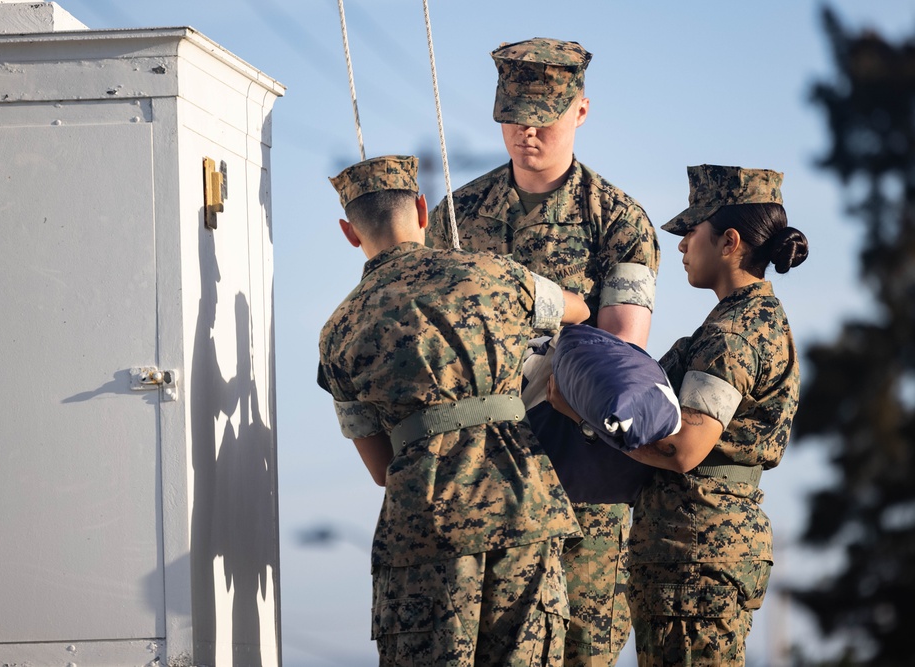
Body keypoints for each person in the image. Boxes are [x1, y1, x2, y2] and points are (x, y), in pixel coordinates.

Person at [427, 37, 659, 666]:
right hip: (482, 468)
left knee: (583, 648)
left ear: (580, 111)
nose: (527, 133)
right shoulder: (457, 215)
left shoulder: (616, 221)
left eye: (544, 118)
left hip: (578, 464)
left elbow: (618, 350)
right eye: (514, 118)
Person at [319, 154, 592, 666]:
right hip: (523, 510)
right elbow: (578, 309)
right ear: (424, 210)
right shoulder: (496, 275)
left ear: (349, 232)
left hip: (423, 529)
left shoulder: (339, 332)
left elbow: (381, 468)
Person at [549, 164, 809, 666]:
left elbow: (684, 447)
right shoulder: (743, 319)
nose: (682, 246)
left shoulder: (736, 333)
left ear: (730, 241)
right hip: (689, 553)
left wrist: (585, 415)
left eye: (691, 232)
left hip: (694, 558)